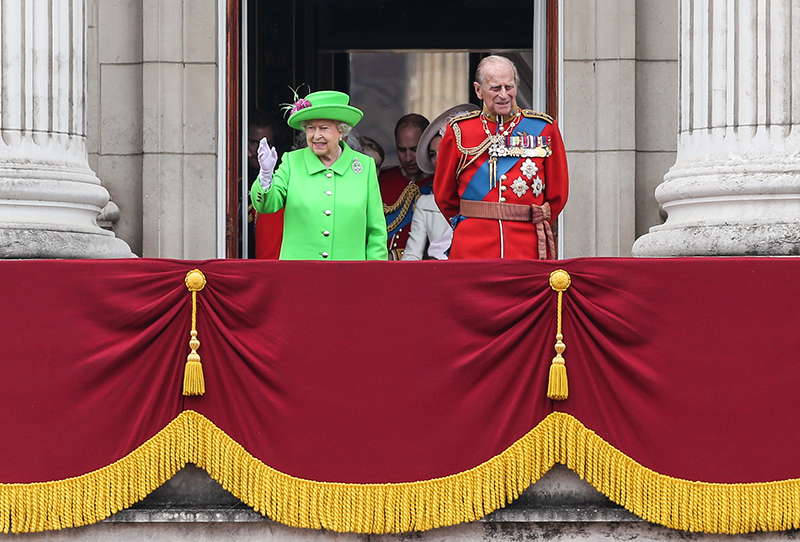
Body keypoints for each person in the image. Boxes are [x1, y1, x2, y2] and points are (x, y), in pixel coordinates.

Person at [433, 55, 569, 259]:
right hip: (472, 245)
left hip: (526, 246)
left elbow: (558, 193)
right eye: (496, 88)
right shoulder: (459, 130)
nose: (504, 95)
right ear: (478, 90)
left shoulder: (544, 128)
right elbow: (445, 195)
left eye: (509, 87)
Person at [250, 90, 388, 261]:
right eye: (310, 128)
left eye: (324, 128)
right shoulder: (292, 162)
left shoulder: (364, 166)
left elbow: (376, 230)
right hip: (299, 275)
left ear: (341, 131)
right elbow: (267, 206)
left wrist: (374, 272)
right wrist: (265, 175)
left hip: (350, 276)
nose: (316, 136)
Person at [401, 104, 479, 261]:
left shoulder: (487, 197)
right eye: (432, 154)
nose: (438, 160)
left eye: (444, 152)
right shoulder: (425, 203)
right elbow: (411, 255)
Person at [380, 114, 432, 260]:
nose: (408, 158)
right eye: (402, 150)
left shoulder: (439, 185)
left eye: (414, 150)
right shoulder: (382, 179)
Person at [248, 110, 285, 259]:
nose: (259, 149)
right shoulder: (230, 176)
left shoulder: (281, 179)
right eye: (254, 142)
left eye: (266, 143)